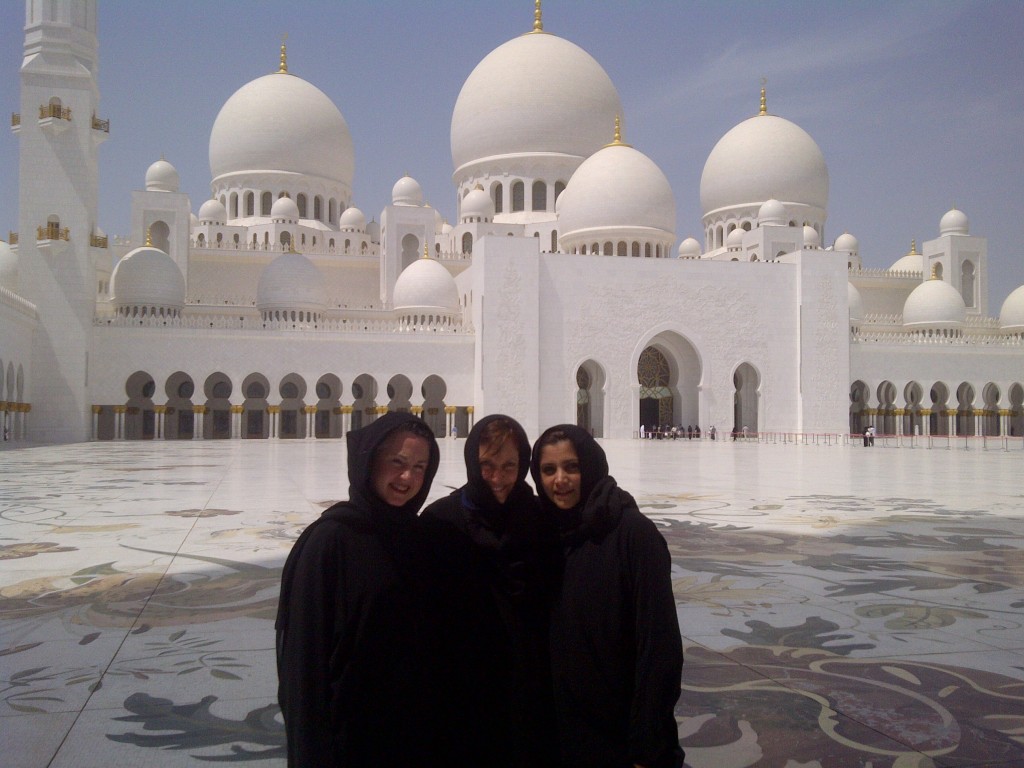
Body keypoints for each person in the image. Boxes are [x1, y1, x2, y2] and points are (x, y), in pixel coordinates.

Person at [276, 412, 449, 767]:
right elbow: (304, 667)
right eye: (397, 462)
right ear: (369, 461)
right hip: (350, 738)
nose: (408, 478)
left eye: (420, 467)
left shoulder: (420, 537)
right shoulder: (330, 541)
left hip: (412, 735)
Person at [531, 424, 684, 768]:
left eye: (572, 466)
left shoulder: (633, 535)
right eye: (548, 470)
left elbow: (659, 647)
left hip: (622, 741)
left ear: (592, 465)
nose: (560, 480)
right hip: (563, 737)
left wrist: (647, 746)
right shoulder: (545, 534)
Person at [422, 415, 558, 767]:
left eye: (509, 466)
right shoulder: (440, 523)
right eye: (487, 465)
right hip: (461, 687)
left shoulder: (539, 518)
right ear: (471, 461)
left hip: (527, 684)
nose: (498, 479)